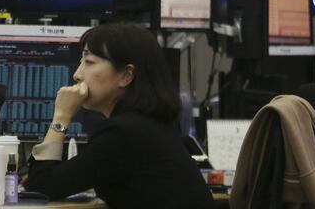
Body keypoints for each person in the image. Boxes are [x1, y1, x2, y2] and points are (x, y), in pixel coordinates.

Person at [23, 23, 215, 209]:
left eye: (89, 62)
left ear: (126, 75)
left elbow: (40, 188)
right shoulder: (149, 125)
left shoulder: (123, 133)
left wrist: (61, 116)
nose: (77, 74)